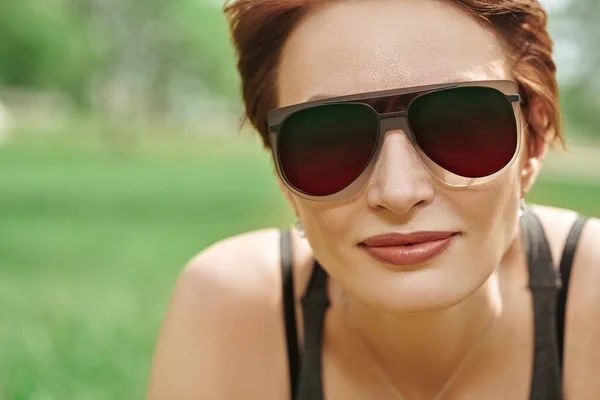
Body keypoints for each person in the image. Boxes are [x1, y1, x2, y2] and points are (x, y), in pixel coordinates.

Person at [147, 0, 600, 399]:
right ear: (282, 174)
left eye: (460, 126)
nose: (398, 193)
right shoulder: (232, 312)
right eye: (328, 140)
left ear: (533, 142)